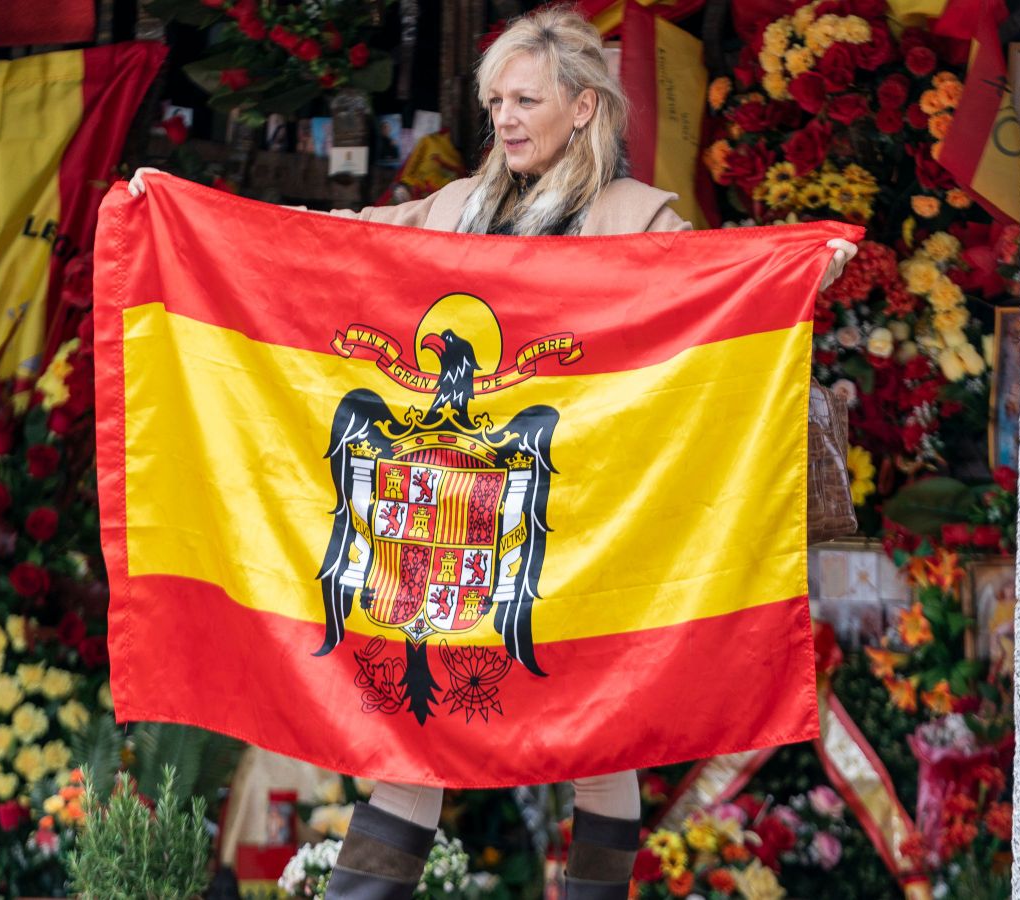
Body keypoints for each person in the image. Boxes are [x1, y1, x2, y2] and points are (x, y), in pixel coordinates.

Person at [130, 9, 855, 900]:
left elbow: (715, 288)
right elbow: (326, 246)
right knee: (411, 736)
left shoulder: (636, 217)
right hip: (454, 521)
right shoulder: (451, 208)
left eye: (525, 100)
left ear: (584, 108)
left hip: (585, 523)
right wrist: (191, 211)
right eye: (495, 102)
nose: (505, 119)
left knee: (601, 738)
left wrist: (797, 269)